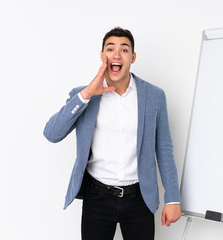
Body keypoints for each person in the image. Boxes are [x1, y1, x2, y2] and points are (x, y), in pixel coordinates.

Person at [43, 27, 181, 240]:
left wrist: (173, 199)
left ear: (133, 57)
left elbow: (164, 149)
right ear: (102, 56)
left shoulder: (154, 95)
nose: (117, 55)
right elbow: (52, 134)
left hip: (139, 198)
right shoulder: (83, 95)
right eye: (110, 49)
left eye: (124, 50)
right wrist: (87, 93)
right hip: (96, 196)